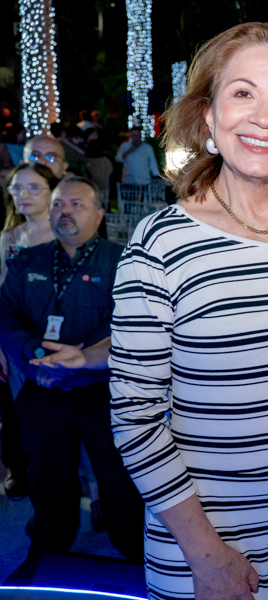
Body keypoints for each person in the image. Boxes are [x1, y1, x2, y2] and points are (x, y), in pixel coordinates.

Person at [108, 22, 268, 600]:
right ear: (208, 118)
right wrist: (207, 556)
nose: (266, 117)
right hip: (211, 549)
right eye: (244, 92)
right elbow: (135, 418)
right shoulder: (160, 244)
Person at [0, 176, 145, 578]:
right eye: (60, 204)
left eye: (77, 205)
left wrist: (83, 358)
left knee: (116, 473)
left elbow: (132, 324)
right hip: (42, 386)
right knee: (47, 475)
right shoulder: (28, 260)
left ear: (100, 214)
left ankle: (134, 550)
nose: (66, 211)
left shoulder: (123, 261)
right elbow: (6, 313)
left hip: (102, 389)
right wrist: (33, 353)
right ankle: (47, 547)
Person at [0, 163, 59, 499]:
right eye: (17, 188)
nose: (23, 195)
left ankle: (94, 492)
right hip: (15, 343)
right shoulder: (8, 240)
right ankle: (26, 476)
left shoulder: (66, 232)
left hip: (60, 340)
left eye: (33, 187)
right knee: (21, 416)